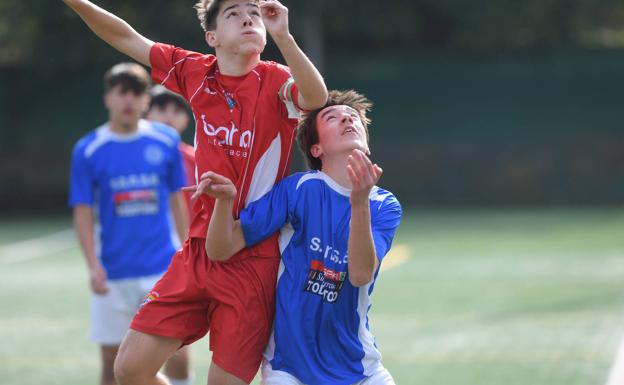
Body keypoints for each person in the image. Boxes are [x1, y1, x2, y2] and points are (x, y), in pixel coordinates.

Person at [61, 0, 328, 384]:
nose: (248, 17)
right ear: (212, 37)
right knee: (129, 370)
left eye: (253, 11)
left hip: (252, 256)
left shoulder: (278, 79)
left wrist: (284, 35)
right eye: (234, 12)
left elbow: (316, 99)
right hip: (197, 252)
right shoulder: (194, 71)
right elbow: (124, 36)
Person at [196, 90, 402, 385]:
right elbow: (221, 249)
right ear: (316, 149)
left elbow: (359, 275)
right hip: (288, 369)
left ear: (366, 142)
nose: (347, 118)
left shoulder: (383, 204)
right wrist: (224, 202)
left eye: (354, 117)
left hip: (360, 369)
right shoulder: (299, 189)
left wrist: (359, 202)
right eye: (333, 117)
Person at [69, 63, 192, 385]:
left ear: (145, 101)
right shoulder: (89, 148)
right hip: (113, 271)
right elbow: (82, 212)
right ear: (108, 98)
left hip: (161, 267)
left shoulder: (165, 141)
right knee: (112, 362)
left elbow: (177, 199)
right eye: (121, 92)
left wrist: (187, 253)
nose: (128, 100)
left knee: (176, 352)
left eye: (136, 92)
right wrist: (93, 265)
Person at [146, 85, 195, 217]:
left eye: (177, 111)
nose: (169, 116)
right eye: (161, 109)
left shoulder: (196, 158)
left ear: (186, 120)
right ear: (147, 115)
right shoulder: (133, 155)